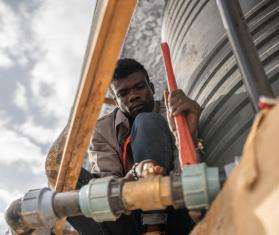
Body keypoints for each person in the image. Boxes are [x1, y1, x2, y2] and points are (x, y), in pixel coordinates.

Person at [45, 58, 202, 234]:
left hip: (173, 208)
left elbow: (187, 177)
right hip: (127, 219)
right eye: (123, 93)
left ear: (151, 87)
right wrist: (135, 174)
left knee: (146, 121)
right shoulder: (102, 130)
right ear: (116, 100)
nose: (133, 96)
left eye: (139, 87)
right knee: (62, 181)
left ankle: (155, 224)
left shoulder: (175, 113)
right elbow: (106, 187)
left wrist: (189, 136)